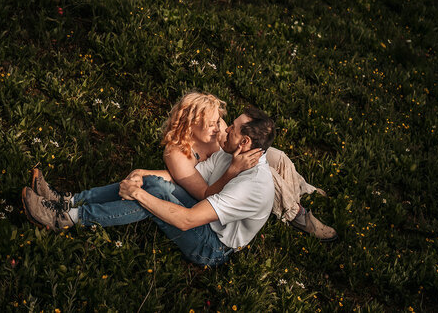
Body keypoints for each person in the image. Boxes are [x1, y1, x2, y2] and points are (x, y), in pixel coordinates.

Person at [22, 107, 277, 267]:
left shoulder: (253, 186)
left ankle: (67, 218)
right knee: (152, 184)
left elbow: (187, 220)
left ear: (245, 142)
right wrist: (142, 175)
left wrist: (138, 194)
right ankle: (68, 200)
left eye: (232, 129)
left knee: (150, 197)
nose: (225, 129)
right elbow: (187, 179)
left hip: (212, 246)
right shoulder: (231, 154)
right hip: (201, 212)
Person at [130, 92, 336, 241]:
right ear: (191, 124)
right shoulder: (178, 154)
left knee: (278, 157)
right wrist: (144, 174)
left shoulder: (216, 126)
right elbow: (185, 179)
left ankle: (301, 189)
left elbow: (233, 138)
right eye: (212, 124)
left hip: (229, 156)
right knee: (268, 175)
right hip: (225, 168)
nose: (220, 128)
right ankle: (296, 214)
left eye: (218, 120)